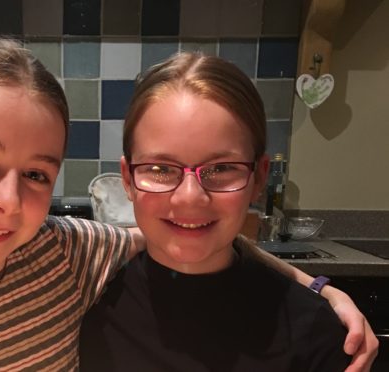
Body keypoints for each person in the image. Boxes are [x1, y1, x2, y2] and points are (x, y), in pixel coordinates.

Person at [0, 40, 377, 370]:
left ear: (256, 177)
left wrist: (318, 287)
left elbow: (196, 234)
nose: (5, 201)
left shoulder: (60, 255)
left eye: (35, 174)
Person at [79, 52, 378, 371]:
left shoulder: (315, 331)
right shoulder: (84, 305)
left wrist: (321, 291)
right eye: (160, 168)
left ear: (259, 177)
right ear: (127, 178)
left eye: (221, 168)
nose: (189, 198)